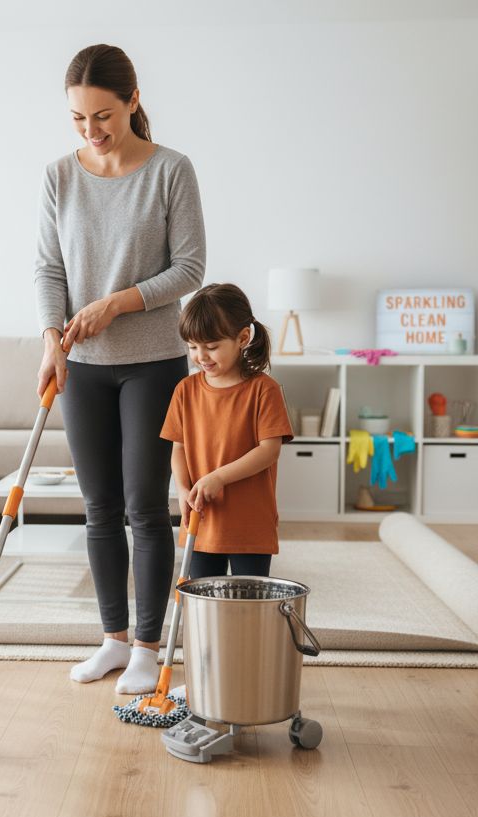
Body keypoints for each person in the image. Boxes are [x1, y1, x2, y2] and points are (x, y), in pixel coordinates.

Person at [34, 44, 205, 694]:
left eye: (102, 115)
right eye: (78, 119)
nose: (91, 131)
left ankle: (148, 646)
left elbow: (189, 268)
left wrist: (115, 303)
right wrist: (54, 336)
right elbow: (49, 268)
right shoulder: (59, 176)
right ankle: (111, 640)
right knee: (98, 507)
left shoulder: (170, 171)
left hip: (153, 363)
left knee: (143, 506)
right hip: (82, 364)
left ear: (133, 101)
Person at [161, 284, 294, 579]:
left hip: (250, 525)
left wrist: (218, 477)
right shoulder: (185, 390)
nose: (201, 356)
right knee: (203, 607)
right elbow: (178, 448)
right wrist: (183, 490)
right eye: (193, 347)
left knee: (249, 608)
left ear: (243, 338)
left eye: (211, 347)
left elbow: (269, 450)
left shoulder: (264, 390)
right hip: (201, 521)